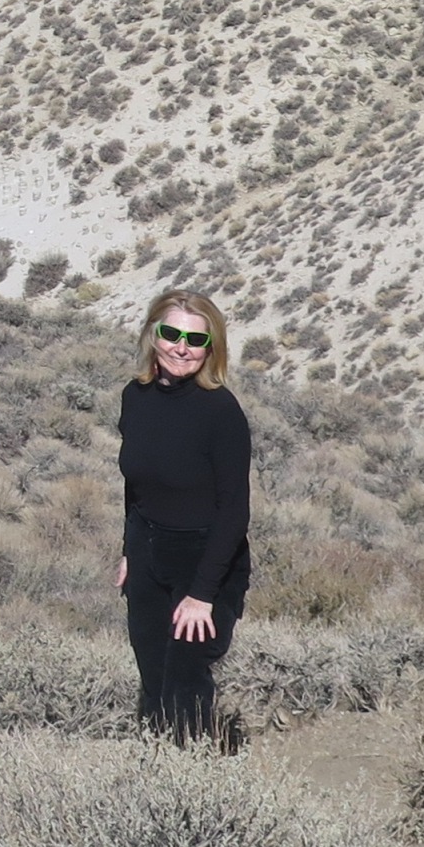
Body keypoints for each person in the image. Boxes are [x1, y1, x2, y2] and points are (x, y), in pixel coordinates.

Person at [116, 287, 251, 745]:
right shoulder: (135, 397)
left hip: (204, 558)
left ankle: (194, 784)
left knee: (184, 680)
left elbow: (235, 510)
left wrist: (202, 593)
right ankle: (154, 776)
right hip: (146, 549)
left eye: (196, 340)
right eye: (171, 333)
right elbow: (136, 484)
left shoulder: (221, 412)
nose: (182, 347)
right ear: (152, 335)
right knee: (153, 675)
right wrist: (128, 551)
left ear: (212, 348)